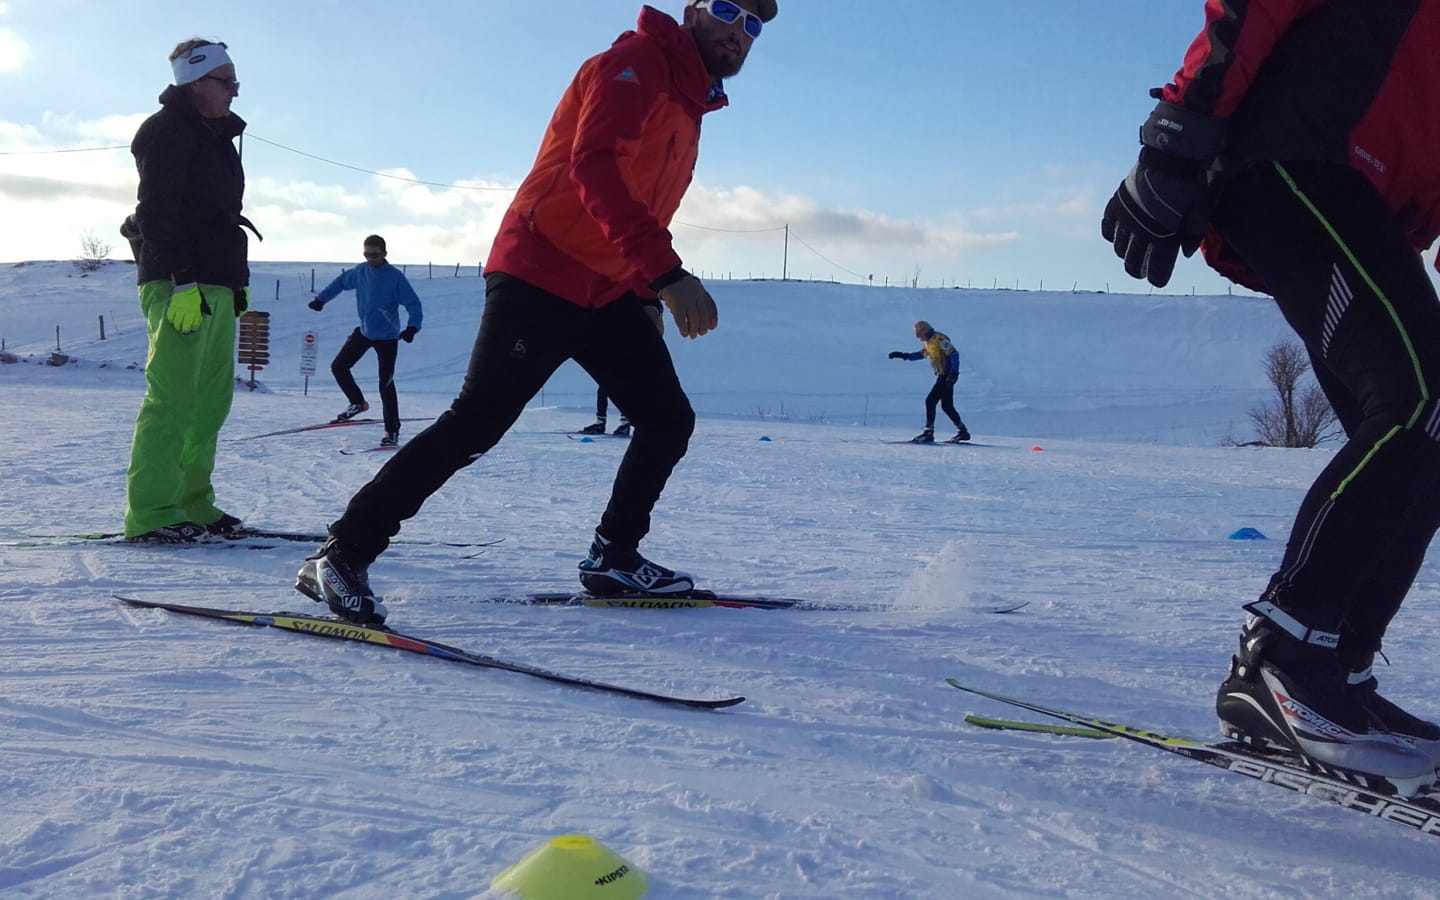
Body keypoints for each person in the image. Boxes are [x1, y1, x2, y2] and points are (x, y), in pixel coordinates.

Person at [296, 0, 778, 625]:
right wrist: (665, 274)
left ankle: (614, 556)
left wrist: (638, 289)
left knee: (666, 419)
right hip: (539, 268)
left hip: (606, 289)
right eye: (727, 9)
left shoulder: (691, 106)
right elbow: (593, 168)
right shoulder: (633, 63)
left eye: (755, 24)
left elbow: (643, 207)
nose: (739, 30)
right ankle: (342, 553)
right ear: (692, 10)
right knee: (478, 422)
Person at [1100, 0, 1440, 793]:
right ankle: (1282, 662)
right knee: (1421, 397)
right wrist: (1176, 137)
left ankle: (1333, 675)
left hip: (1372, 207)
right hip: (1299, 158)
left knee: (1425, 428)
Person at [120, 38, 255, 543]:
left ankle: (193, 504)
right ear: (197, 82)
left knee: (210, 403)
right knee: (172, 399)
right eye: (228, 82)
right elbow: (157, 211)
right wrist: (181, 280)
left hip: (216, 284)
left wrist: (235, 284)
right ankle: (152, 511)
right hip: (180, 284)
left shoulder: (217, 139)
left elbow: (220, 219)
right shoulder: (165, 132)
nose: (235, 93)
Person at [308, 235, 423, 447]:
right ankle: (357, 403)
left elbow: (413, 303)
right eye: (367, 254)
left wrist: (412, 327)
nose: (371, 259)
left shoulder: (395, 278)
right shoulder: (361, 272)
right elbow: (340, 283)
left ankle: (392, 431)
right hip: (364, 332)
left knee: (385, 384)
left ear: (385, 254)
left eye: (375, 255)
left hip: (387, 337)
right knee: (339, 367)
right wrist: (320, 299)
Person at [580, 300, 664, 436]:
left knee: (620, 388)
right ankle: (609, 423)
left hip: (631, 351)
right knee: (605, 388)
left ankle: (619, 423)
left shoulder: (646, 303)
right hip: (620, 349)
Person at [888, 320, 971, 444]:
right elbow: (922, 354)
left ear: (924, 331)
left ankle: (929, 432)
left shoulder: (939, 339)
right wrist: (904, 355)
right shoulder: (929, 343)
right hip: (943, 375)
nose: (917, 337)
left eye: (918, 333)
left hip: (946, 376)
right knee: (947, 406)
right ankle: (963, 431)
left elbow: (953, 354)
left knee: (930, 401)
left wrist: (954, 373)